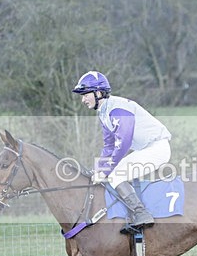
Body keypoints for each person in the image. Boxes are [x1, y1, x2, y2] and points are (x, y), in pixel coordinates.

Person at [72, 71, 172, 230]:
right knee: (112, 173)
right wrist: (98, 169)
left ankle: (141, 213)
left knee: (115, 174)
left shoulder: (117, 109)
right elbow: (109, 146)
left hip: (157, 148)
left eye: (85, 94)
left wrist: (105, 171)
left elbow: (122, 143)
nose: (83, 99)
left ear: (98, 93)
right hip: (147, 149)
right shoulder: (104, 112)